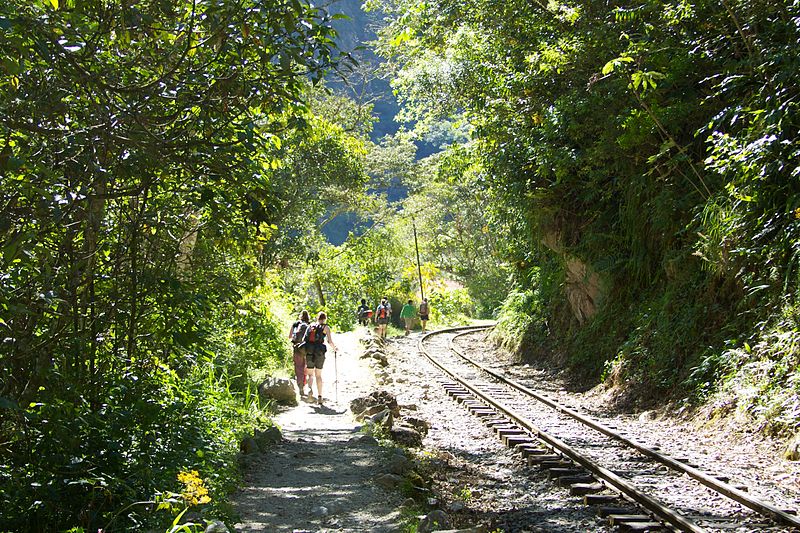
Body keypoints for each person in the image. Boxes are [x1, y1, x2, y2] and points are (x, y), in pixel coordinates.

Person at [303, 311, 337, 404]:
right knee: (318, 375)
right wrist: (335, 348)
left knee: (310, 374)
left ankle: (310, 390)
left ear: (317, 318)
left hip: (309, 351)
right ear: (325, 318)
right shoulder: (325, 327)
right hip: (319, 352)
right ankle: (320, 396)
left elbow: (304, 339)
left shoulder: (310, 326)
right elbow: (329, 341)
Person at [288, 310, 310, 395]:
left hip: (297, 349)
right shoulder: (309, 325)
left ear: (300, 316)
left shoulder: (295, 324)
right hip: (307, 349)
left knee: (298, 367)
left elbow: (290, 336)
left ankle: (300, 386)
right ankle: (304, 385)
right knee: (306, 368)